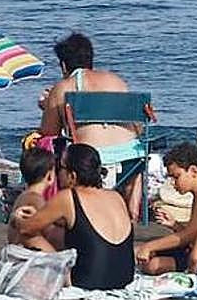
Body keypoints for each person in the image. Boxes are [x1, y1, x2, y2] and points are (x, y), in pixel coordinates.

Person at [38, 32, 146, 220]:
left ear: (63, 65)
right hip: (132, 158)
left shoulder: (64, 87)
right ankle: (133, 215)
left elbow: (48, 133)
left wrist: (46, 106)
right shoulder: (117, 81)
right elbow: (139, 127)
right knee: (134, 159)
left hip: (90, 158)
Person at [13, 143, 134, 290]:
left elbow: (26, 229)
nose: (58, 173)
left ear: (72, 176)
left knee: (29, 236)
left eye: (60, 168)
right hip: (125, 277)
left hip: (88, 280)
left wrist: (17, 218)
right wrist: (40, 217)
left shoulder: (68, 197)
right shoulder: (116, 196)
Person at [135, 142, 197, 274]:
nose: (173, 183)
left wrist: (148, 246)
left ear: (193, 171)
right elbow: (195, 234)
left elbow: (187, 237)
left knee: (151, 265)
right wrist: (174, 224)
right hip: (192, 249)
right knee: (143, 254)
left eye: (176, 177)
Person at [7, 142, 63, 252]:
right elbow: (50, 233)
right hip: (29, 255)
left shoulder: (23, 197)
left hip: (16, 250)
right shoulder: (36, 200)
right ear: (50, 176)